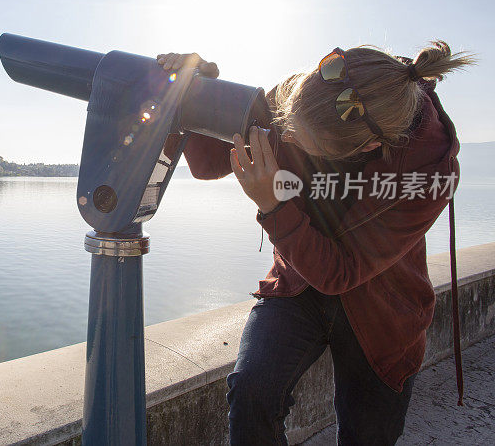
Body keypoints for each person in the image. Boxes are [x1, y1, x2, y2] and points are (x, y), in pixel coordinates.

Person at [157, 42, 475, 445]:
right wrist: (195, 90)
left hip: (384, 308)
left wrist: (272, 204)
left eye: (303, 141)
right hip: (297, 283)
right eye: (287, 123)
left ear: (368, 147)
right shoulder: (301, 96)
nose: (286, 134)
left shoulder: (430, 173)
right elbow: (209, 162)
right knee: (251, 392)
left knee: (368, 434)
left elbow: (339, 272)